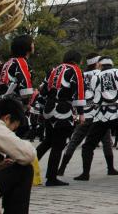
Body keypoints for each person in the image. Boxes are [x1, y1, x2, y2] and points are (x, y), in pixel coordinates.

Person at [58, 54, 117, 177]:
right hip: (98, 113)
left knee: (74, 141)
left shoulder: (81, 75)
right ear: (97, 63)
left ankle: (62, 168)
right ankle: (110, 168)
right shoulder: (100, 74)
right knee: (106, 141)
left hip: (84, 112)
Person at [78, 57, 118, 182]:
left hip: (101, 114)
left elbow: (91, 95)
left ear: (100, 65)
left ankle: (85, 173)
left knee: (89, 145)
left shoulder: (95, 77)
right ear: (112, 64)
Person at [35, 50, 85, 187]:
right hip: (63, 110)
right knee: (58, 144)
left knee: (47, 141)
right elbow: (79, 92)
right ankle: (51, 177)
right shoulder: (75, 70)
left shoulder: (54, 69)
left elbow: (43, 90)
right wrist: (81, 113)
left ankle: (27, 166)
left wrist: (41, 109)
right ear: (77, 60)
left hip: (49, 108)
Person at [0, 36, 35, 106]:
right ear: (26, 46)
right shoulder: (21, 62)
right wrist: (26, 104)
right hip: (14, 104)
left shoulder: (9, 62)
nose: (33, 45)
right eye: (32, 43)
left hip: (2, 101)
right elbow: (25, 88)